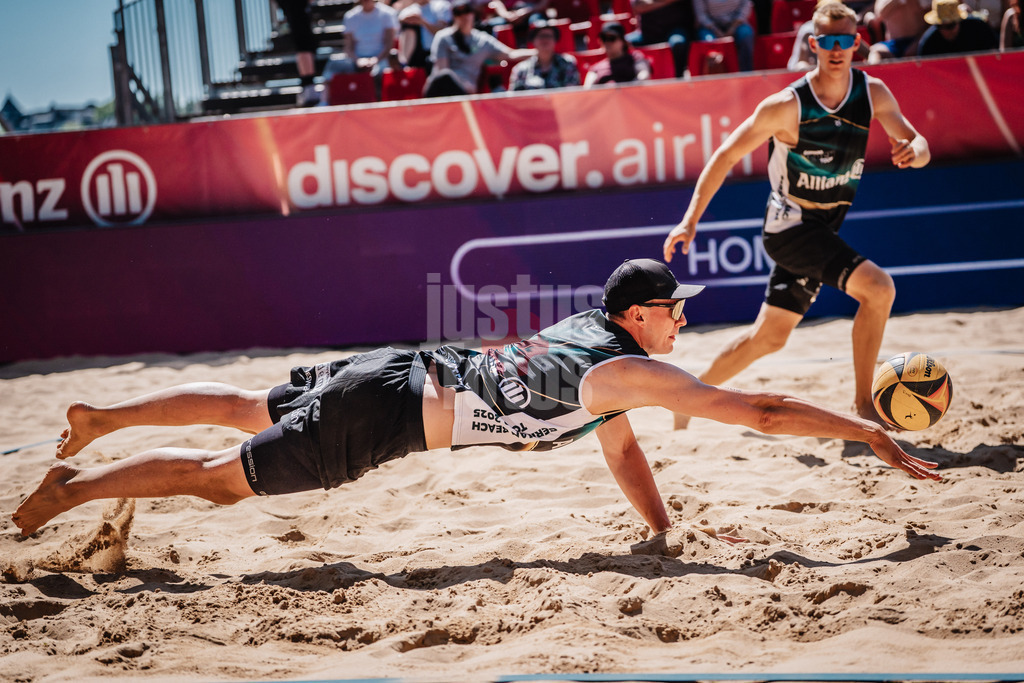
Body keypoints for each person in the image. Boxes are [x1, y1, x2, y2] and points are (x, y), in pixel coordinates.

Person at [12, 259, 940, 540]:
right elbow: (769, 412)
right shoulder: (630, 367)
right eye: (674, 314)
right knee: (223, 480)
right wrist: (865, 429)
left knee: (247, 404)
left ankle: (103, 419)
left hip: (397, 364)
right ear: (640, 315)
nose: (682, 326)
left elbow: (619, 446)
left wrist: (659, 529)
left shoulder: (592, 338)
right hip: (390, 417)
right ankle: (72, 490)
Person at [663, 1, 930, 430]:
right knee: (878, 289)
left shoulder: (873, 93)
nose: (837, 49)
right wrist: (690, 219)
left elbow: (919, 144)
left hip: (822, 228)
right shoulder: (787, 105)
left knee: (768, 337)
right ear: (814, 44)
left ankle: (689, 399)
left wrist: (912, 153)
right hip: (790, 228)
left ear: (858, 42)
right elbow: (725, 155)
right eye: (829, 41)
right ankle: (864, 405)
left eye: (846, 40)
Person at [422, 0, 535, 97]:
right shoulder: (443, 37)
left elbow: (510, 54)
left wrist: (538, 52)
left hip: (466, 92)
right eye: (458, 12)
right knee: (446, 77)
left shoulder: (482, 39)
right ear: (454, 15)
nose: (463, 16)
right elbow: (442, 70)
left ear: (473, 13)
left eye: (466, 11)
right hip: (441, 89)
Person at [319, 0, 401, 102]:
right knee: (333, 64)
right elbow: (348, 47)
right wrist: (357, 60)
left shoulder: (387, 14)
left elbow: (389, 44)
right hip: (357, 59)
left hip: (381, 58)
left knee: (381, 71)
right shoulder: (350, 16)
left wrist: (376, 59)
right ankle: (324, 101)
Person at [628, 0, 695, 78]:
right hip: (649, 34)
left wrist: (652, 3)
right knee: (622, 43)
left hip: (674, 31)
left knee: (678, 43)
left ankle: (679, 78)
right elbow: (638, 5)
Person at [509, 22, 581, 90]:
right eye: (541, 36)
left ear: (555, 41)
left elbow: (572, 94)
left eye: (548, 36)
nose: (545, 40)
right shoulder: (521, 69)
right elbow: (514, 99)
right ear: (533, 41)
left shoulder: (567, 63)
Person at [277, 0, 321, 106]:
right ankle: (308, 86)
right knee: (304, 46)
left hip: (296, 9)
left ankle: (307, 86)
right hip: (296, 9)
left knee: (305, 46)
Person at [583, 22, 652, 86]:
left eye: (611, 38)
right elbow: (587, 91)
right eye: (604, 38)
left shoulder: (635, 57)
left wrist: (624, 91)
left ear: (622, 41)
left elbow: (644, 75)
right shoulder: (596, 69)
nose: (607, 42)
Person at [692, 0, 755, 71]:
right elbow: (701, 15)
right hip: (710, 27)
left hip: (737, 24)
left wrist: (732, 28)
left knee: (746, 34)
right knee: (708, 41)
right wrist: (716, 30)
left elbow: (745, 8)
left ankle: (746, 72)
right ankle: (713, 74)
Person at [917, 0, 998, 54]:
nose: (946, 31)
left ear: (959, 21)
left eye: (950, 26)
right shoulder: (929, 43)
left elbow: (994, 53)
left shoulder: (978, 28)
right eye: (940, 26)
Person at [865, 0, 930, 63]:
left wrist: (918, 42)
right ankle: (872, 73)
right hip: (894, 44)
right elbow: (879, 15)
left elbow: (932, 21)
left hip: (918, 41)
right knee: (875, 52)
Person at [398, 0, 453, 71]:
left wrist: (422, 22)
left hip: (437, 53)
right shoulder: (409, 10)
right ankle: (404, 63)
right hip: (416, 55)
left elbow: (441, 32)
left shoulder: (441, 5)